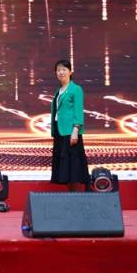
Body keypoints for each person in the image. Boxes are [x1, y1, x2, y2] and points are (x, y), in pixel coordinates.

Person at [50, 59, 89, 191]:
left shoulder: (76, 89)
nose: (61, 72)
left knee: (74, 165)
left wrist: (76, 130)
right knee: (65, 165)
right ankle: (69, 194)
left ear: (70, 72)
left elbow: (78, 110)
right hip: (59, 131)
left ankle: (75, 195)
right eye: (58, 70)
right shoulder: (59, 90)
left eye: (64, 70)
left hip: (71, 132)